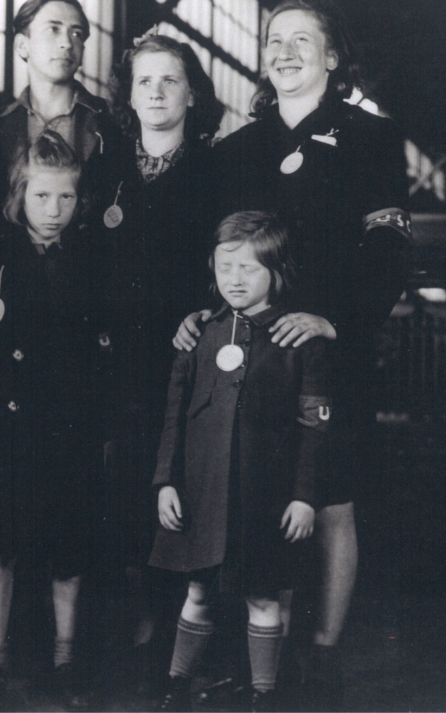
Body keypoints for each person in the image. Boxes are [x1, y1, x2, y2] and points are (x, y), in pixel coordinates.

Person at [174, 0, 412, 707]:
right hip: (246, 358)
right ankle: (245, 655)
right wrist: (206, 315)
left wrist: (337, 321)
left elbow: (390, 252)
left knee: (331, 501)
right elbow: (208, 255)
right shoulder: (233, 150)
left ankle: (325, 655)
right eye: (274, 39)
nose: (284, 51)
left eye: (302, 40)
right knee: (247, 494)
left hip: (330, 353)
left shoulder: (373, 138)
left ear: (332, 57)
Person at [151, 212, 333, 712]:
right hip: (203, 489)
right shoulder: (200, 334)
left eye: (248, 269)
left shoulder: (301, 340)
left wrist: (304, 497)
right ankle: (175, 685)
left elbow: (314, 428)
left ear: (276, 273)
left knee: (264, 596)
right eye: (225, 265)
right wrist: (167, 481)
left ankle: (264, 696)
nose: (234, 278)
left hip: (266, 497)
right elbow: (175, 415)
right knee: (199, 589)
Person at [90, 29, 224, 697]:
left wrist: (200, 315)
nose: (156, 92)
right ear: (128, 94)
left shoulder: (216, 173)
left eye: (170, 80)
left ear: (192, 93)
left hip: (184, 366)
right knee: (118, 502)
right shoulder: (105, 170)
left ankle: (176, 655)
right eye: (144, 80)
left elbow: (229, 268)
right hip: (113, 368)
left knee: (178, 500)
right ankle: (127, 637)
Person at [0, 130, 100, 711]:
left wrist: (99, 434)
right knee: (1, 548)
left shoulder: (89, 263)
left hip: (67, 431)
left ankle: (65, 661)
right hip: (7, 430)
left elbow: (98, 357)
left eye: (66, 199)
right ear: (20, 194)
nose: (54, 210)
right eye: (42, 197)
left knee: (67, 551)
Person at [0, 0, 119, 238]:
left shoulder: (111, 121)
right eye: (54, 29)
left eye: (76, 34)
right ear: (22, 46)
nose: (66, 43)